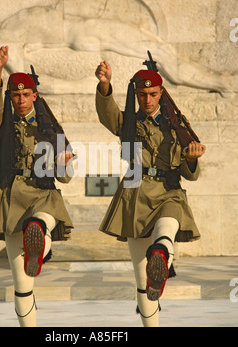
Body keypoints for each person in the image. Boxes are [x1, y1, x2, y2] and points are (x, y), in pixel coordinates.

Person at [95, 60, 206, 327]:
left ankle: (162, 256)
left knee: (166, 230)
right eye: (142, 94)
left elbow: (190, 174)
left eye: (153, 94)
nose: (147, 99)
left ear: (161, 93)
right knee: (143, 280)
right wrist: (105, 85)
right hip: (135, 193)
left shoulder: (176, 125)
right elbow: (106, 114)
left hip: (169, 192)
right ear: (136, 94)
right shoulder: (128, 123)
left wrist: (191, 159)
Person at [0, 46, 75, 327]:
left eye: (26, 95)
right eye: (15, 95)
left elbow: (66, 177)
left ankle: (39, 245)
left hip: (43, 195)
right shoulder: (2, 124)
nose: (21, 100)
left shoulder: (50, 127)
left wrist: (64, 162)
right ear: (10, 97)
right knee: (22, 285)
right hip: (12, 198)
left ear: (35, 95)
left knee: (40, 224)